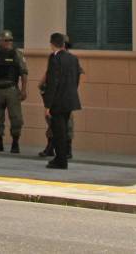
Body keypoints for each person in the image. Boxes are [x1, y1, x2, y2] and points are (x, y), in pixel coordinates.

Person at [44, 32, 83, 170]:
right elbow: (77, 78)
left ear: (53, 44)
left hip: (58, 101)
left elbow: (52, 83)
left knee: (58, 132)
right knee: (64, 130)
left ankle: (60, 160)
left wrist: (48, 104)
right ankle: (61, 156)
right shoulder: (73, 58)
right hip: (70, 99)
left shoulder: (54, 59)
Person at [0, 30, 29, 153]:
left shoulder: (17, 54)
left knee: (16, 118)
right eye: (6, 40)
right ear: (0, 41)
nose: (9, 42)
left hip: (12, 90)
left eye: (11, 40)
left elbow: (24, 73)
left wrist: (24, 90)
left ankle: (15, 144)